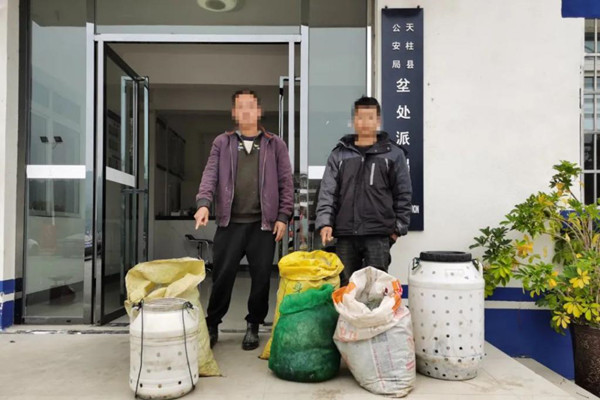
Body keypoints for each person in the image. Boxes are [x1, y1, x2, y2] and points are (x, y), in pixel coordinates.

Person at [194, 89, 294, 350]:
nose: (246, 111)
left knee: (261, 278)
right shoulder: (222, 143)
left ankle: (253, 325)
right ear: (234, 113)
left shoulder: (275, 144)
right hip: (230, 223)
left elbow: (286, 183)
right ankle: (213, 323)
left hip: (263, 225)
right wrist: (203, 204)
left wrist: (283, 216)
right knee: (222, 276)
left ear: (259, 111)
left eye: (251, 106)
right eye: (241, 107)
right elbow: (210, 175)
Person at [316, 96, 412, 285]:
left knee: (376, 288)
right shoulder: (339, 154)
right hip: (345, 234)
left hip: (378, 233)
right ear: (354, 121)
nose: (365, 123)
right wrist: (325, 223)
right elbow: (328, 192)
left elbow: (403, 193)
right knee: (346, 287)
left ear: (378, 121)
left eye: (370, 117)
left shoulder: (393, 154)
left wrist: (397, 229)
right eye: (360, 117)